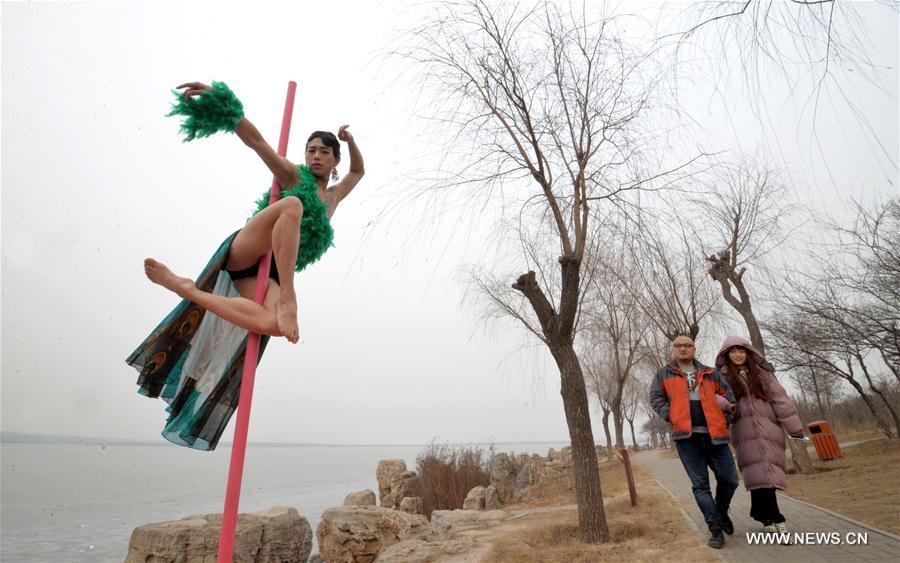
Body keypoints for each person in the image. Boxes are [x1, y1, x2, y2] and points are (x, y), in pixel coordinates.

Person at [126, 81, 364, 450]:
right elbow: (255, 141)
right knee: (293, 207)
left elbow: (358, 173)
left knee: (272, 325)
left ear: (334, 161)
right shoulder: (292, 175)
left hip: (267, 274)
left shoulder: (333, 197)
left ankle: (186, 288)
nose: (316, 156)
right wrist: (225, 105)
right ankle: (290, 298)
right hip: (246, 251)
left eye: (324, 152)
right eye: (311, 150)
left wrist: (349, 142)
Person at [649, 334, 739, 549]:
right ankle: (715, 529)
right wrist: (671, 415)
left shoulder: (710, 372)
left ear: (694, 349)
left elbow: (729, 396)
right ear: (673, 349)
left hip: (715, 436)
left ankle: (721, 510)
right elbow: (655, 398)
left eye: (687, 345)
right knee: (701, 486)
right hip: (687, 439)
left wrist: (725, 419)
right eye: (678, 346)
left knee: (730, 480)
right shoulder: (664, 373)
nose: (682, 349)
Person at [715, 336, 804, 541]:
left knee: (768, 471)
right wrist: (724, 405)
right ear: (726, 355)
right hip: (743, 429)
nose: (738, 355)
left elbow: (780, 398)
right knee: (757, 473)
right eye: (733, 351)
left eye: (741, 350)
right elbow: (714, 397)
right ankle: (775, 518)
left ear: (748, 352)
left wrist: (794, 428)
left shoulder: (762, 374)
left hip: (769, 428)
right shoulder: (721, 377)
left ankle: (763, 515)